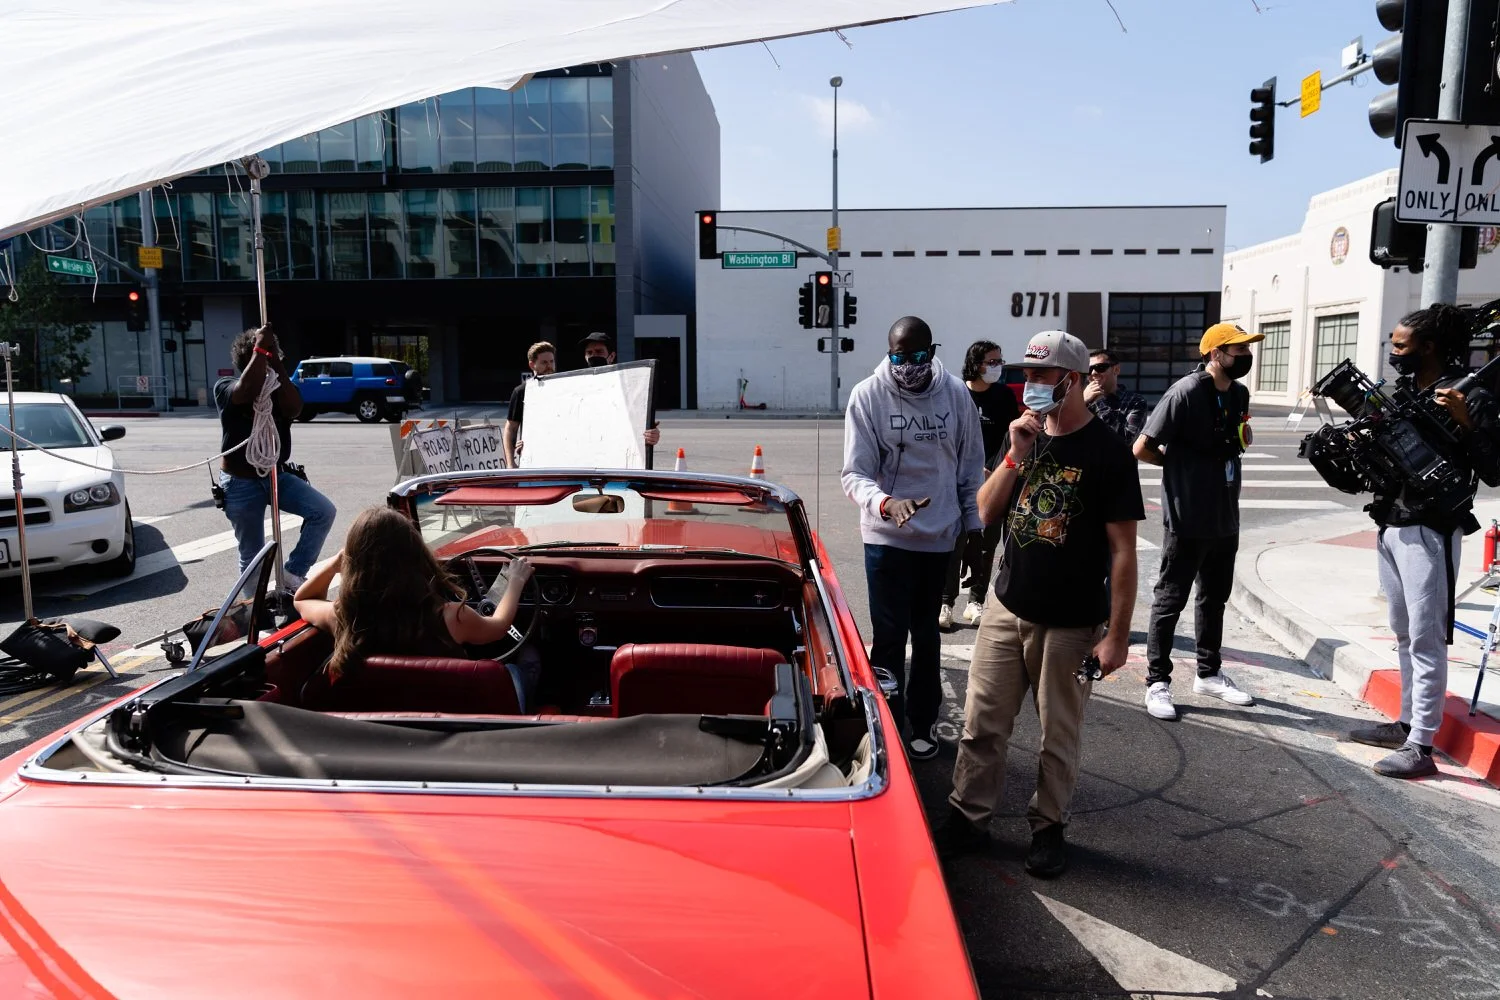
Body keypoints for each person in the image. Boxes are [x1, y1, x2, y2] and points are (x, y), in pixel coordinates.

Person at [939, 330, 1143, 878]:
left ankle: (1048, 826)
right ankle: (968, 817)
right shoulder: (1024, 436)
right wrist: (1013, 455)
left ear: (1071, 381)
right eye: (1025, 374)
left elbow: (1124, 552)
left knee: (1058, 736)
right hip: (1007, 608)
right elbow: (984, 514)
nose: (1027, 384)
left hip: (1072, 621)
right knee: (982, 724)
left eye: (1039, 375)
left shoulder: (1109, 454)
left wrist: (1117, 636)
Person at [1348, 304, 1500, 778]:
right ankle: (1406, 723)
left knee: (1426, 637)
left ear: (1429, 347)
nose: (1393, 352)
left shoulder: (1471, 394)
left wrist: (1468, 423)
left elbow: (1495, 470)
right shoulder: (1405, 392)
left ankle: (1421, 747)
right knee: (1403, 632)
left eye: (1401, 345)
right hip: (1391, 522)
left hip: (1431, 528)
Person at [842, 316, 984, 761]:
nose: (908, 366)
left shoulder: (955, 394)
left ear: (933, 351)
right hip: (886, 537)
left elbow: (969, 466)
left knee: (926, 636)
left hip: (939, 536)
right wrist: (886, 503)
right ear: (889, 355)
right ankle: (885, 726)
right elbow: (854, 474)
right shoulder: (868, 395)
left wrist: (974, 525)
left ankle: (922, 724)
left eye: (918, 356)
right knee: (888, 636)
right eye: (898, 358)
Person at [1133, 323, 1262, 721]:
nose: (1246, 356)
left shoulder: (1238, 393)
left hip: (1225, 515)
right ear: (1215, 354)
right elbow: (1142, 447)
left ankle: (1208, 673)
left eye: (1247, 349)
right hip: (1187, 516)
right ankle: (1157, 681)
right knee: (1171, 599)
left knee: (1214, 597)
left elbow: (1236, 438)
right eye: (1238, 350)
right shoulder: (1185, 392)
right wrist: (1178, 468)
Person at [293, 506, 540, 706]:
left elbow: (302, 599)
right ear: (416, 555)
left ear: (353, 562)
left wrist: (336, 564)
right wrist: (515, 581)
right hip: (451, 717)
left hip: (385, 722)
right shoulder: (451, 616)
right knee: (527, 660)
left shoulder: (343, 616)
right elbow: (498, 626)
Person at [214, 324, 336, 593]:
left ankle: (293, 573)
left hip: (275, 475)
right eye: (260, 360)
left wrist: (275, 362)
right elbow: (245, 391)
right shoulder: (226, 387)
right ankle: (254, 611)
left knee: (323, 511)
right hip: (240, 482)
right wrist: (259, 349)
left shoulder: (279, 390)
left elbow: (294, 408)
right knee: (252, 558)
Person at [940, 340, 1020, 628]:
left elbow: (1011, 439)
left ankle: (976, 600)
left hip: (993, 480)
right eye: (992, 362)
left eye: (999, 361)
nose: (997, 367)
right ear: (975, 364)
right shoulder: (955, 394)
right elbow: (947, 438)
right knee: (955, 543)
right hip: (959, 481)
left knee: (987, 545)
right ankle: (945, 602)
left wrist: (994, 470)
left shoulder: (1004, 396)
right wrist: (969, 470)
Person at [581, 331, 662, 452]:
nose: (593, 356)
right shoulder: (575, 389)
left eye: (599, 351)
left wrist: (652, 434)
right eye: (589, 352)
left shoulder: (627, 386)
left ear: (611, 356)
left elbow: (639, 424)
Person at [503, 341, 556, 468]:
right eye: (544, 362)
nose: (549, 366)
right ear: (532, 365)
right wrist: (510, 463)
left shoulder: (565, 388)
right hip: (533, 461)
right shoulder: (521, 391)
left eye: (552, 361)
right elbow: (510, 428)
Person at [1084, 349, 1150, 441]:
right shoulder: (1080, 399)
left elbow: (1126, 440)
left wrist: (1099, 402)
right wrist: (1082, 402)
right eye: (1089, 370)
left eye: (1100, 367)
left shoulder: (1136, 401)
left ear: (1116, 370)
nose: (1093, 373)